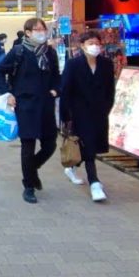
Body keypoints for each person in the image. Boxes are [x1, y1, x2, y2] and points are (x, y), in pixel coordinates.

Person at [0, 18, 61, 204]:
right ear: (28, 32)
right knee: (28, 146)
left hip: (46, 104)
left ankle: (32, 170)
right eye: (37, 29)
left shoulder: (50, 52)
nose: (41, 32)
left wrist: (56, 90)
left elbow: (56, 76)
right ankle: (29, 186)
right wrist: (7, 93)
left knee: (50, 144)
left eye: (43, 29)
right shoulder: (19, 51)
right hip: (25, 105)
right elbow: (0, 71)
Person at [60, 30, 115, 202]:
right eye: (91, 43)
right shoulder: (73, 64)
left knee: (92, 145)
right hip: (79, 112)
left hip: (100, 112)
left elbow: (110, 89)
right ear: (82, 45)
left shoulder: (106, 64)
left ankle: (72, 167)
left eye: (97, 43)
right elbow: (66, 90)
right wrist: (65, 115)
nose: (95, 46)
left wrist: (107, 107)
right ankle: (94, 183)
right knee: (89, 146)